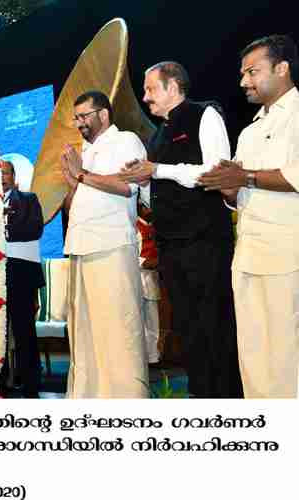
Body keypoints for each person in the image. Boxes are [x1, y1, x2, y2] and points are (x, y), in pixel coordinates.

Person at [120, 61, 243, 398]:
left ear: (173, 87)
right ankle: (201, 397)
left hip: (205, 242)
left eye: (150, 89)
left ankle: (227, 402)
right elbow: (157, 192)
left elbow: (214, 173)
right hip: (171, 248)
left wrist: (157, 169)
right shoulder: (158, 135)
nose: (144, 97)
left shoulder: (205, 115)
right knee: (188, 331)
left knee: (215, 326)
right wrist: (142, 180)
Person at [198, 35, 299, 398]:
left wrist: (246, 177)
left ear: (282, 68)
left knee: (286, 357)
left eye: (252, 72)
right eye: (242, 74)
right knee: (253, 357)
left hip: (287, 257)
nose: (244, 82)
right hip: (248, 256)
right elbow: (239, 196)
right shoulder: (250, 131)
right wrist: (225, 185)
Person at [60, 90, 148, 398]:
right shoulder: (85, 151)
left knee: (119, 332)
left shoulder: (126, 141)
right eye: (77, 118)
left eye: (84, 116)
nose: (79, 123)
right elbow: (74, 206)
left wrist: (82, 174)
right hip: (80, 248)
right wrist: (72, 183)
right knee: (83, 335)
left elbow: (128, 186)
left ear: (104, 114)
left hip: (111, 245)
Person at [0, 160, 45, 398]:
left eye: (6, 173)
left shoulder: (29, 199)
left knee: (25, 331)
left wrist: (1, 234)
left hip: (22, 274)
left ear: (14, 177)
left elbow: (34, 229)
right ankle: (0, 382)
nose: (2, 177)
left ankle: (31, 383)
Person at [137, 205, 161, 365]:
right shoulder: (132, 225)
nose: (150, 209)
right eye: (146, 206)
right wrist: (145, 263)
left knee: (153, 322)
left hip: (151, 279)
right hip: (136, 275)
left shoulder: (157, 226)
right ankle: (138, 358)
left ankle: (153, 358)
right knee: (136, 320)